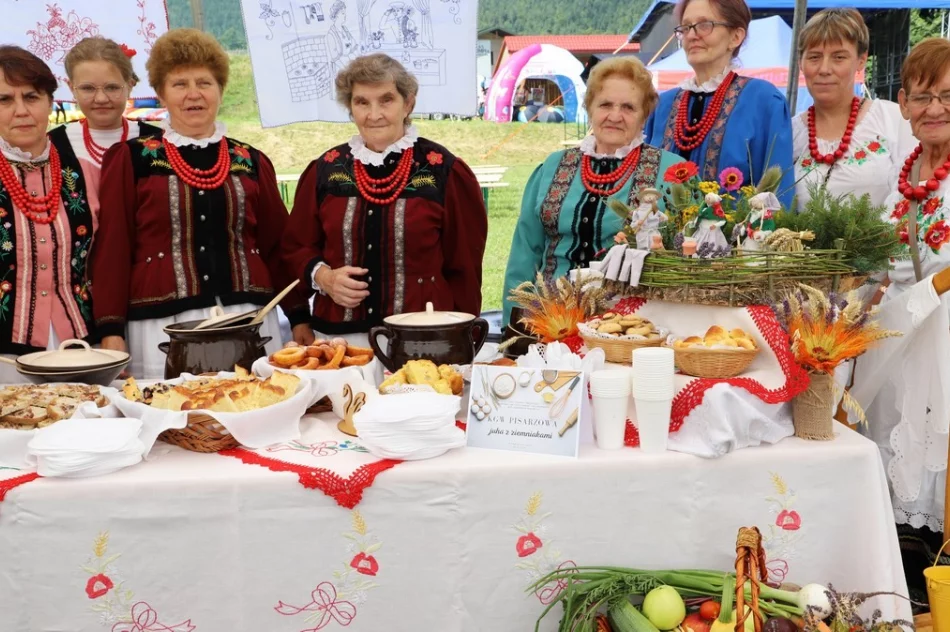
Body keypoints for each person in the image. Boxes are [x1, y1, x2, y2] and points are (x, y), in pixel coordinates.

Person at [90, 29, 312, 378]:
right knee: (174, 421)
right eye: (179, 84)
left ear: (220, 90)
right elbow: (113, 248)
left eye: (204, 83)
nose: (193, 94)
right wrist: (111, 329)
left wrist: (298, 316)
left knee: (255, 411)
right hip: (163, 324)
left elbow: (276, 245)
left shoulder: (251, 160)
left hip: (249, 317)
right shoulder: (131, 159)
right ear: (161, 93)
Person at [282, 53, 487, 345]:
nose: (373, 113)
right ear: (350, 108)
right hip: (339, 342)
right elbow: (296, 246)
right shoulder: (326, 170)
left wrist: (461, 335)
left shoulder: (444, 171)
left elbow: (464, 267)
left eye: (386, 100)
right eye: (361, 102)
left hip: (422, 339)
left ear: (409, 104)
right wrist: (324, 278)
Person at [859, 37, 950, 610]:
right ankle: (910, 560)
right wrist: (868, 293)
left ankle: (943, 557)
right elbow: (890, 254)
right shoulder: (908, 167)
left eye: (947, 95)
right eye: (921, 96)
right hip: (906, 322)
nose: (934, 108)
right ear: (902, 103)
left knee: (939, 431)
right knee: (895, 423)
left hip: (945, 326)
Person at [502, 56, 681, 325]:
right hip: (550, 323)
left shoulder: (673, 174)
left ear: (644, 115)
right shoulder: (553, 166)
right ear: (590, 109)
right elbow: (524, 253)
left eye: (629, 107)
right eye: (605, 104)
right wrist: (514, 325)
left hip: (630, 327)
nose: (615, 116)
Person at [0, 46, 99, 380]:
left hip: (81, 348)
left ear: (50, 102)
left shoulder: (87, 174)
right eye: (4, 100)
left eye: (32, 96)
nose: (21, 111)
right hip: (5, 359)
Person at [643, 0, 795, 208]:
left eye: (705, 24)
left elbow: (778, 194)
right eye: (686, 27)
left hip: (736, 238)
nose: (692, 35)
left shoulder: (764, 101)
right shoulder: (663, 105)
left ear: (736, 36)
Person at [792, 8, 916, 211]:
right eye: (814, 57)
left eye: (839, 57)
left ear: (861, 60)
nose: (824, 69)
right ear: (801, 63)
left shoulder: (891, 120)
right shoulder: (790, 133)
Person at [56, 37, 158, 173]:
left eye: (112, 87)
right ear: (71, 88)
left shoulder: (158, 140)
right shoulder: (54, 144)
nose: (101, 98)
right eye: (88, 88)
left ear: (129, 86)